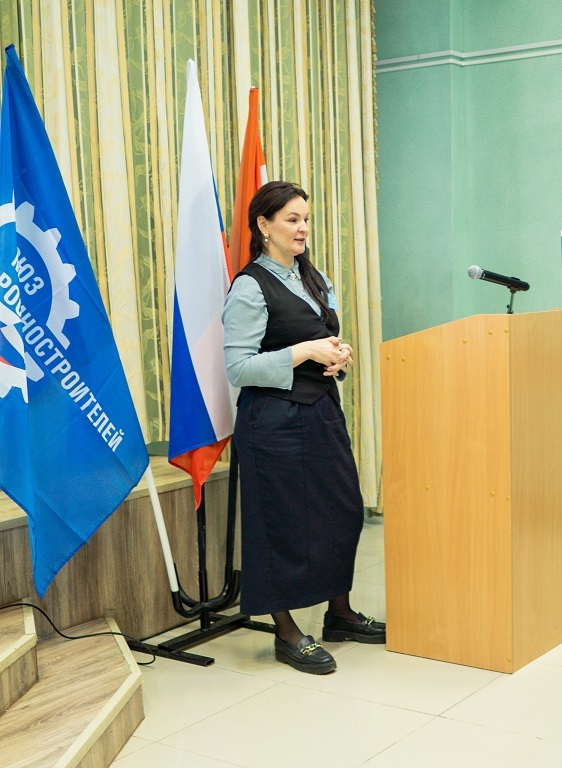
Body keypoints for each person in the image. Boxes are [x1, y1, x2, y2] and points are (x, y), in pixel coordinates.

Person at [222, 180, 385, 675]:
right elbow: (239, 368)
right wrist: (303, 352)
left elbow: (321, 338)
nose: (302, 228)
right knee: (282, 524)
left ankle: (340, 613)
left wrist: (337, 356)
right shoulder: (249, 286)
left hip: (321, 412)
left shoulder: (314, 278)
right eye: (292, 219)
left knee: (343, 511)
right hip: (272, 422)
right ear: (263, 225)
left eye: (306, 219)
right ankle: (287, 632)